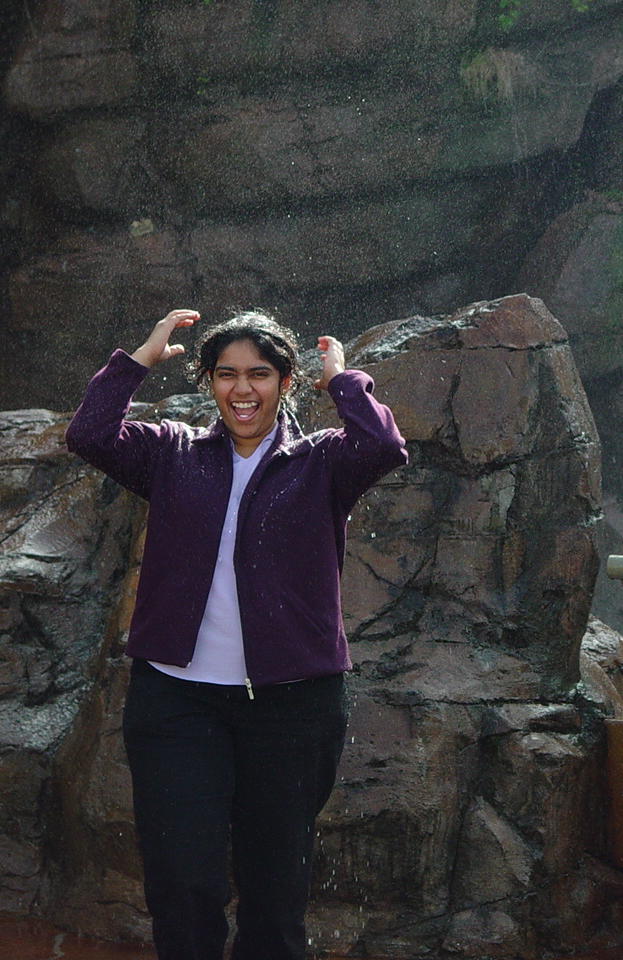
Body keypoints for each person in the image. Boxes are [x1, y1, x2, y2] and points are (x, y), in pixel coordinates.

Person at [64, 308, 407, 960]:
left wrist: (343, 382)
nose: (242, 389)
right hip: (176, 701)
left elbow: (383, 447)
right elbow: (90, 433)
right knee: (182, 883)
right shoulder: (172, 453)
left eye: (259, 374)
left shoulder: (321, 461)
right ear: (209, 383)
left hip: (293, 706)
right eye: (226, 374)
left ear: (285, 381)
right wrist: (137, 362)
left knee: (275, 897)